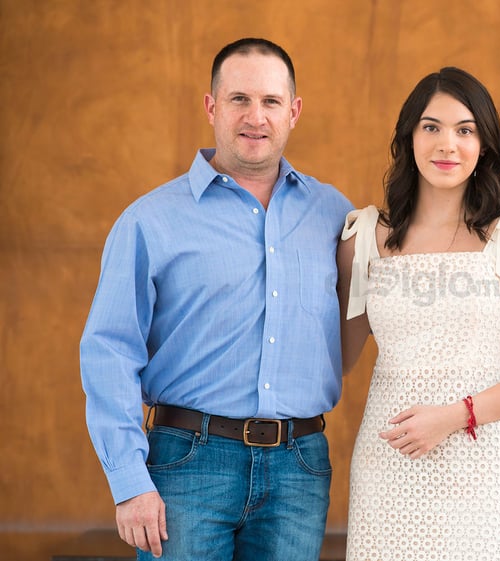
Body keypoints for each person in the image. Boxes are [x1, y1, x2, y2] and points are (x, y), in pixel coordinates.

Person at [80, 38, 353, 560]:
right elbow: (109, 352)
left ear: (293, 112)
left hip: (300, 468)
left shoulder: (333, 215)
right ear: (211, 106)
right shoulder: (149, 220)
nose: (256, 116)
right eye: (239, 99)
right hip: (187, 465)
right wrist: (130, 482)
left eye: (271, 101)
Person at [337, 66, 500, 561]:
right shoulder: (364, 238)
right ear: (408, 137)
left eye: (465, 130)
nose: (448, 144)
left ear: (484, 144)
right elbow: (333, 358)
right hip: (390, 461)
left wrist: (453, 417)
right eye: (431, 127)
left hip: (486, 464)